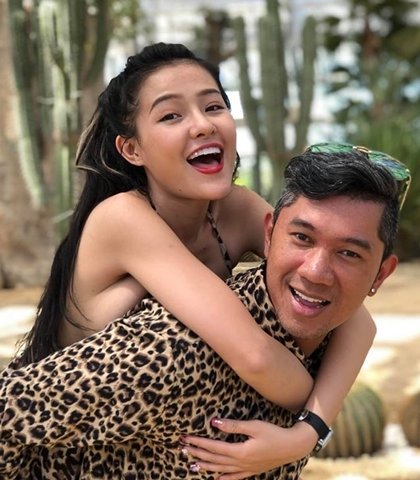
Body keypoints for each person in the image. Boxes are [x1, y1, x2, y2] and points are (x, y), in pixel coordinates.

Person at [0, 145, 409, 479]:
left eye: (349, 253)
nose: (316, 272)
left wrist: (307, 434)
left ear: (381, 274)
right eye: (302, 238)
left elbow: (362, 325)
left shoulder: (333, 335)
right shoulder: (172, 351)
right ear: (269, 234)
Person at [14, 42, 372, 416]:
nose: (203, 125)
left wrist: (310, 429)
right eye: (171, 116)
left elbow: (354, 317)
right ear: (132, 150)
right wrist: (312, 425)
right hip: (68, 436)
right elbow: (255, 357)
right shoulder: (122, 218)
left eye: (213, 107)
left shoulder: (237, 208)